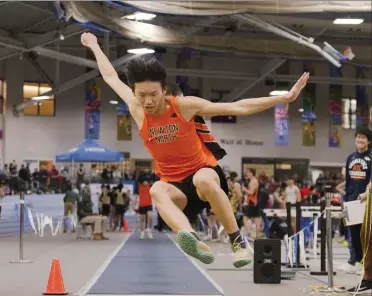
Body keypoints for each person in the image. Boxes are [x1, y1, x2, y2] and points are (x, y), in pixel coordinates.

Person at [80, 32, 309, 266]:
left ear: (164, 90)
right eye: (141, 95)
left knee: (205, 181)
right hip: (175, 186)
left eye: (153, 95)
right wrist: (95, 46)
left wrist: (284, 98)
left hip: (203, 172)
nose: (147, 101)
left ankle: (237, 242)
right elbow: (109, 76)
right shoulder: (136, 109)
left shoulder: (184, 106)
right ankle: (191, 238)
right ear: (135, 93)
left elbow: (237, 107)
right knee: (157, 190)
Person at [340, 125, 372, 274]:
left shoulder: (370, 157)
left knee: (364, 235)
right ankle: (355, 261)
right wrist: (346, 200)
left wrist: (366, 193)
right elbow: (347, 181)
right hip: (351, 201)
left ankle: (366, 265)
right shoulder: (350, 158)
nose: (360, 140)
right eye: (358, 137)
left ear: (369, 141)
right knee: (352, 234)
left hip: (366, 202)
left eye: (363, 137)